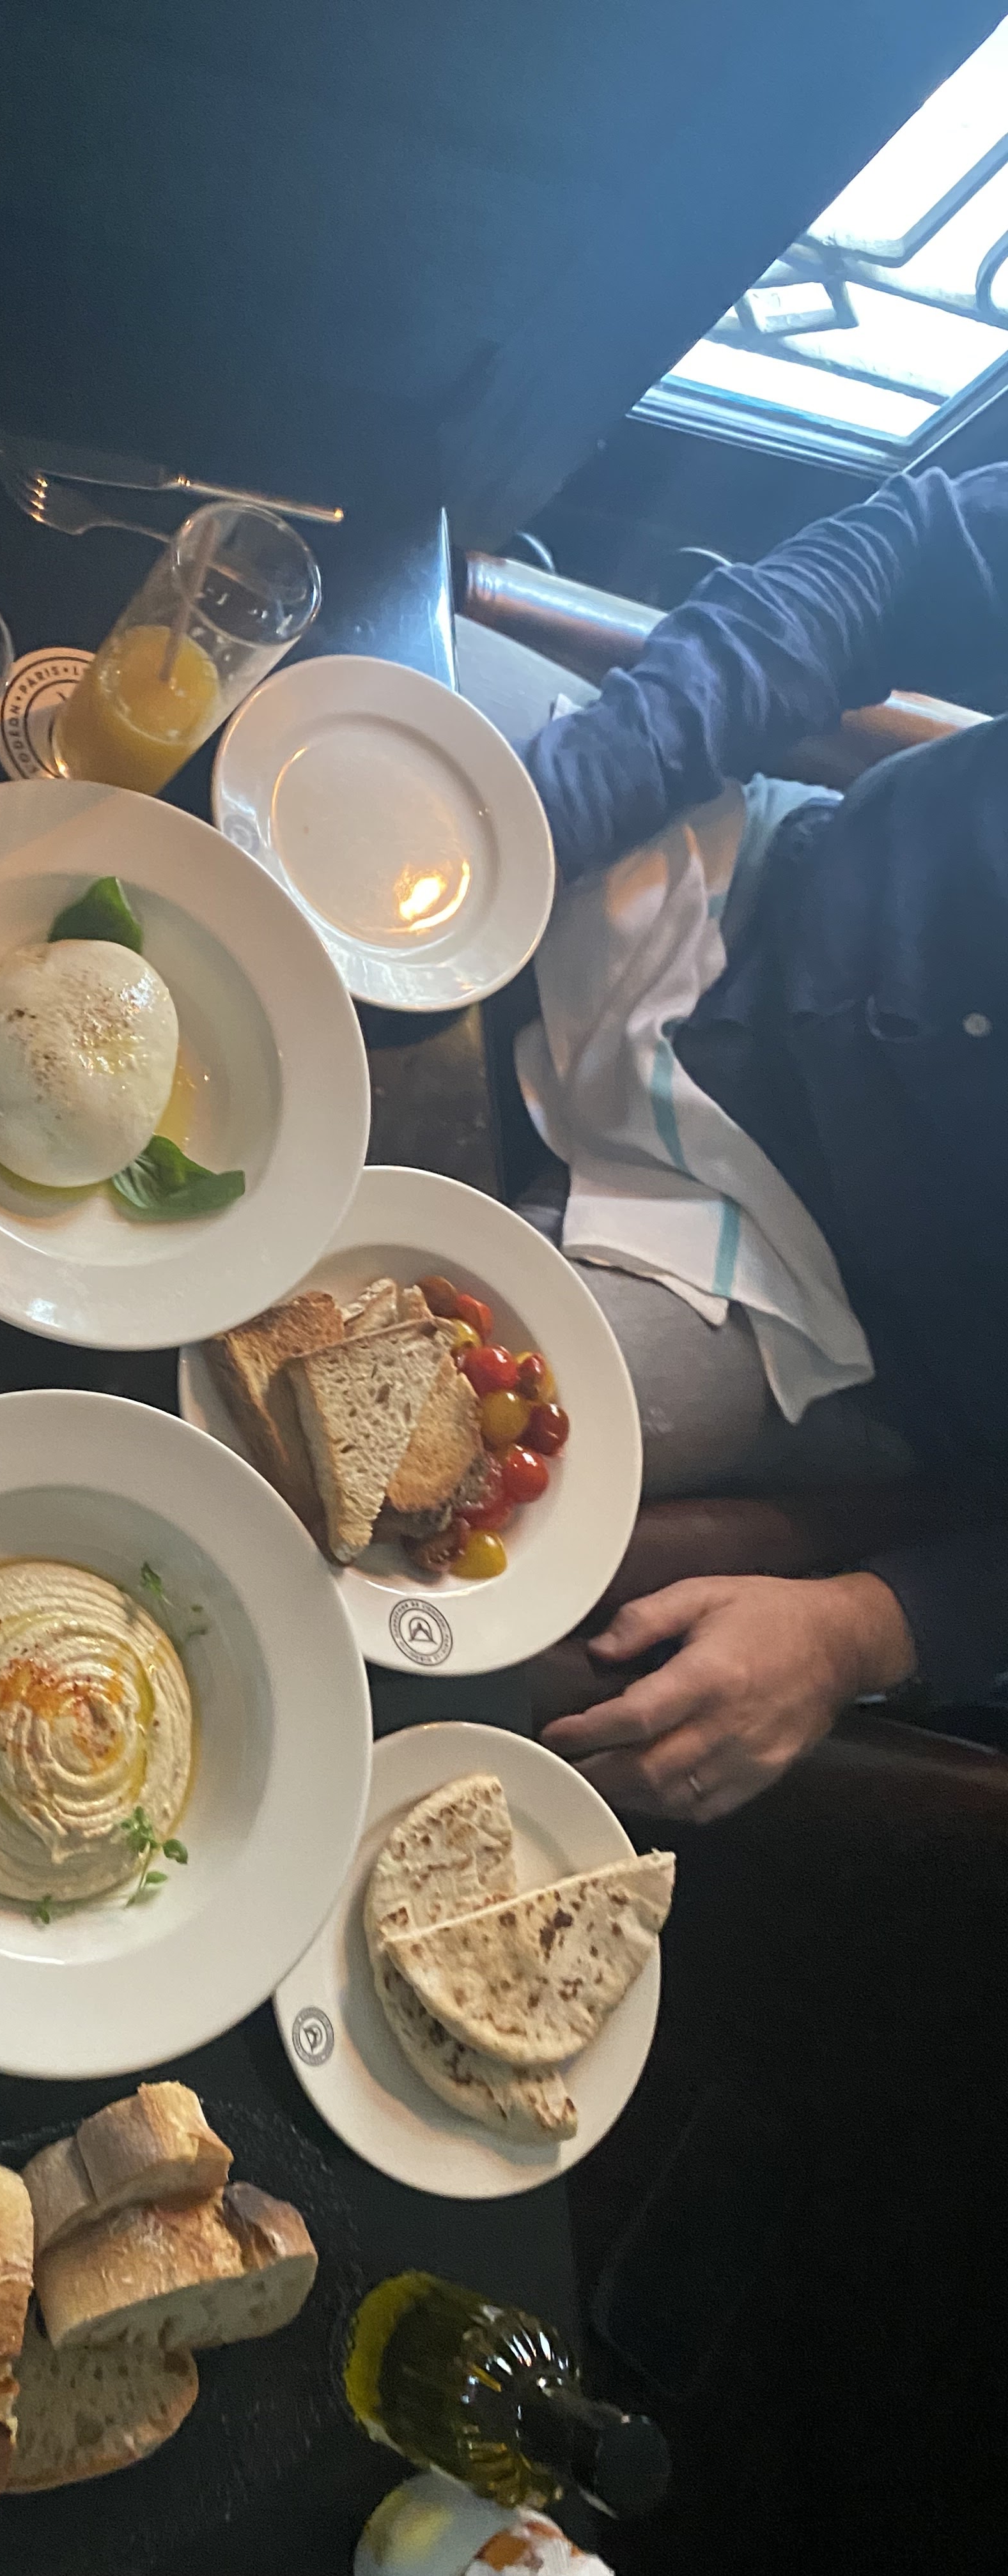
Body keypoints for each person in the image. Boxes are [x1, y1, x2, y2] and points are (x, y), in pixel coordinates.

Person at [479, 466, 1008, 1821]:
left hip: (811, 1300)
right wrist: (563, 805)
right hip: (727, 873)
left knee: (397, 1424)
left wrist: (866, 1631)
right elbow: (910, 554)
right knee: (278, 759)